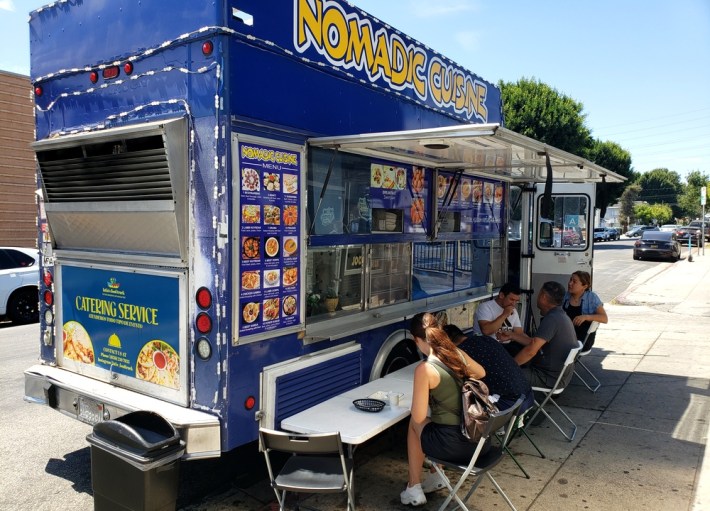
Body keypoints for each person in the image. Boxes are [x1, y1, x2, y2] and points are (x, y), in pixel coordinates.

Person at [400, 312, 487, 507]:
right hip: (477, 441)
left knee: (414, 424)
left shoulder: (425, 369)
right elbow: (481, 372)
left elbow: (419, 416)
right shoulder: (456, 353)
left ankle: (414, 487)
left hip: (453, 446)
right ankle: (435, 477)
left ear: (416, 340)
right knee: (432, 422)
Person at [443, 324, 534, 413]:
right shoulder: (486, 339)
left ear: (447, 343)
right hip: (528, 395)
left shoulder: (462, 352)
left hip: (510, 404)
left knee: (454, 408)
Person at [514, 281, 578, 388]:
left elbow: (530, 351)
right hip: (559, 376)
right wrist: (512, 336)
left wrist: (509, 366)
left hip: (547, 378)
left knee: (501, 374)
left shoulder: (552, 319)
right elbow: (535, 342)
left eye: (539, 294)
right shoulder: (561, 315)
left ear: (543, 297)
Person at [472, 282, 532, 356]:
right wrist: (505, 314)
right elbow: (486, 331)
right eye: (511, 299)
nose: (513, 304)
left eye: (516, 301)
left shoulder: (513, 310)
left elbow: (519, 333)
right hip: (487, 346)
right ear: (501, 295)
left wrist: (534, 344)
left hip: (506, 345)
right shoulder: (485, 307)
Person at [563, 271, 608, 349]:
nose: (570, 283)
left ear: (584, 286)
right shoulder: (566, 296)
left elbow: (604, 318)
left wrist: (586, 317)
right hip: (566, 336)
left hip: (582, 340)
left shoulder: (591, 297)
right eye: (570, 280)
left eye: (574, 282)